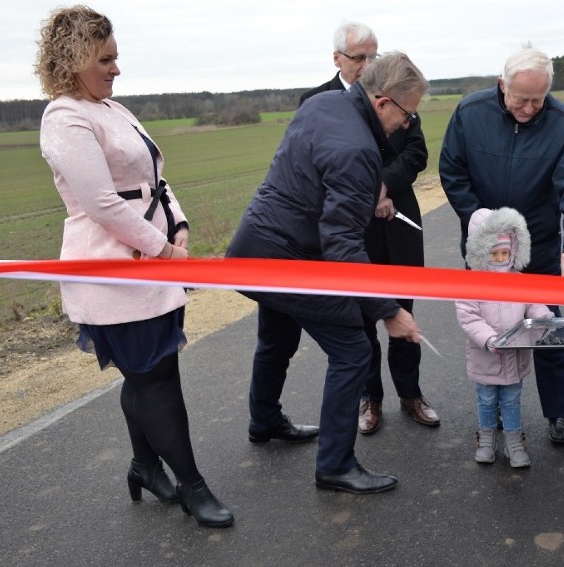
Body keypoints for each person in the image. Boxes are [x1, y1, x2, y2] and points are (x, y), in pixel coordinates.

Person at [35, 6, 232, 528]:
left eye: (116, 57)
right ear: (73, 60)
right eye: (106, 59)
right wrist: (166, 251)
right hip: (113, 272)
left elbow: (154, 182)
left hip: (150, 263)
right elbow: (101, 203)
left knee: (153, 372)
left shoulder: (115, 110)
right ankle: (193, 486)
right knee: (155, 378)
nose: (116, 68)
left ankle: (145, 465)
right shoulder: (64, 117)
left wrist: (180, 226)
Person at [226, 52, 426, 494]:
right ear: (382, 103)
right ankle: (335, 464)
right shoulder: (358, 150)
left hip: (254, 247)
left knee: (277, 334)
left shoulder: (320, 104)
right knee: (353, 349)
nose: (407, 125)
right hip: (287, 258)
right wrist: (389, 310)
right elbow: (343, 246)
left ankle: (262, 420)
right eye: (408, 114)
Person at [440, 45, 564, 445]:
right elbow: (452, 172)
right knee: (487, 331)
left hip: (538, 247)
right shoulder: (469, 113)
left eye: (537, 100)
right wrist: (481, 223)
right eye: (520, 99)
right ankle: (492, 419)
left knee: (547, 329)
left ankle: (558, 413)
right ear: (501, 85)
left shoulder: (563, 122)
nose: (528, 109)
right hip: (484, 248)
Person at [299, 21, 439, 435]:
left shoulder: (400, 94)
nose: (367, 65)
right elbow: (314, 165)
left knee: (403, 316)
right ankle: (369, 399)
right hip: (351, 232)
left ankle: (411, 394)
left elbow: (417, 153)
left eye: (373, 56)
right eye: (358, 57)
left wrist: (383, 184)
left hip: (398, 224)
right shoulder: (317, 101)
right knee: (360, 321)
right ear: (337, 58)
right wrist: (362, 192)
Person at [456, 207, 554, 468]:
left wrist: (543, 315)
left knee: (511, 399)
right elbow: (469, 318)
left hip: (515, 355)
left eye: (505, 253)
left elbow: (533, 304)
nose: (500, 259)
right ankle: (486, 438)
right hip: (486, 355)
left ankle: (514, 441)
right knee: (486, 398)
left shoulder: (519, 279)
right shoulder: (470, 284)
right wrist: (489, 339)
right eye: (494, 253)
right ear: (480, 252)